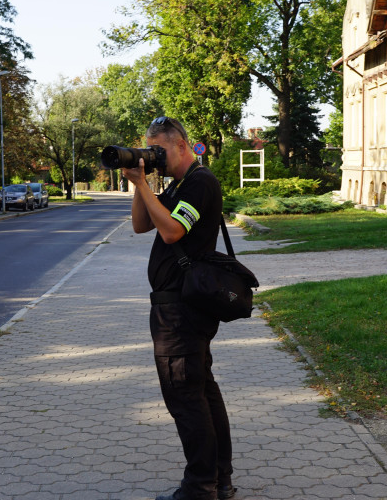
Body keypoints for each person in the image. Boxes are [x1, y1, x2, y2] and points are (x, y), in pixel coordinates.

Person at [121, 116, 235, 500]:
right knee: (201, 391)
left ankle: (200, 487)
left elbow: (171, 231)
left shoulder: (201, 183)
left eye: (159, 151)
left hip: (182, 312)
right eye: (149, 150)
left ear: (181, 145)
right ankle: (218, 480)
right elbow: (140, 225)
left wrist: (142, 183)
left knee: (185, 396)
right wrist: (142, 184)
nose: (154, 157)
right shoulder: (177, 185)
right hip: (177, 307)